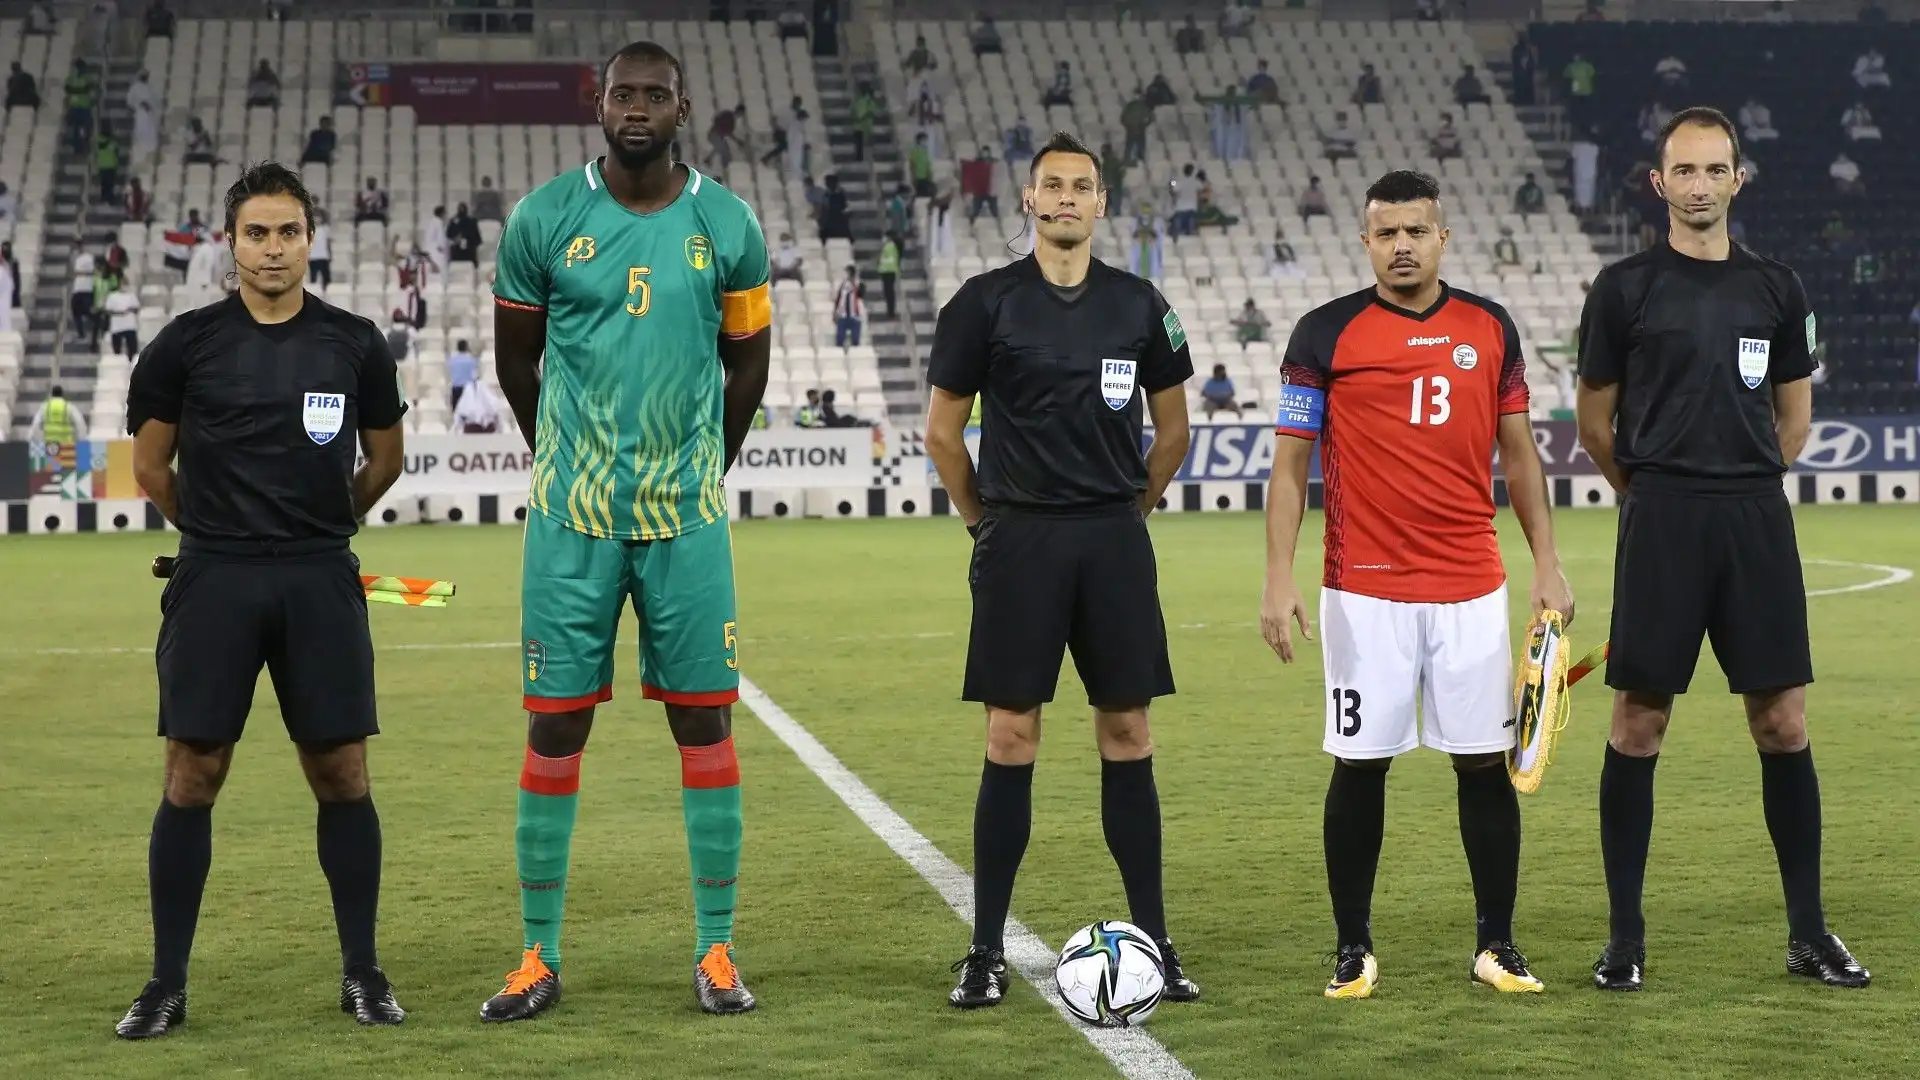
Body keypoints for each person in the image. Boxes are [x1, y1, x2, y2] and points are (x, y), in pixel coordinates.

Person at [481, 41, 774, 1021]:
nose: (637, 107)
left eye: (654, 93)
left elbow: (749, 367)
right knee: (556, 723)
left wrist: (701, 467)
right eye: (622, 93)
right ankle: (536, 955)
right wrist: (564, 459)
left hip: (684, 520)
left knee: (703, 718)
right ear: (596, 103)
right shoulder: (543, 220)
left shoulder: (727, 224)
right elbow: (517, 363)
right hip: (571, 519)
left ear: (683, 105)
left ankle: (718, 951)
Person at [1574, 106, 1868, 992]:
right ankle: (1625, 938)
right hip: (1661, 515)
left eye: (1715, 170)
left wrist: (1738, 483)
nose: (1699, 185)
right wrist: (1655, 493)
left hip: (1754, 521)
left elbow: (1795, 418)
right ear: (1658, 183)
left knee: (1782, 723)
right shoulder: (1623, 288)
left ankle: (1809, 933)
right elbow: (1594, 425)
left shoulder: (1778, 288)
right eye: (1684, 171)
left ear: (1738, 179)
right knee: (1638, 723)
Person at [1259, 169, 1572, 1000]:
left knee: (1483, 766)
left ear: (1443, 236)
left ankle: (1497, 944)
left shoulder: (1489, 327)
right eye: (1386, 232)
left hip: (1471, 586)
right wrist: (1278, 575)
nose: (1402, 245)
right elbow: (1290, 469)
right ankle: (1353, 947)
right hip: (1361, 593)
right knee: (1359, 766)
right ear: (1364, 241)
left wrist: (1546, 561)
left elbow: (1519, 456)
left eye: (1416, 231)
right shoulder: (1324, 334)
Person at [113, 162, 409, 1039]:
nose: (272, 249)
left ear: (310, 240)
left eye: (287, 233)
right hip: (215, 580)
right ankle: (166, 982)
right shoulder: (185, 343)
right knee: (192, 774)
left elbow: (383, 461)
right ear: (230, 242)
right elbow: (150, 469)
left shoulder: (354, 343)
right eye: (256, 233)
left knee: (342, 773)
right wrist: (218, 533)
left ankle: (363, 972)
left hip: (321, 574)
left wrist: (324, 524)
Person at [924, 131, 1201, 1011]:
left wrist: (1130, 514)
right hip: (1021, 542)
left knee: (1128, 734)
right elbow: (942, 433)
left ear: (1102, 203)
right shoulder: (983, 304)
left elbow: (1173, 431)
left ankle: (1156, 943)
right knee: (1012, 735)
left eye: (1084, 186)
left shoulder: (1140, 304)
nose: (1069, 198)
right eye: (1054, 186)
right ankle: (985, 949)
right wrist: (985, 524)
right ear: (1030, 202)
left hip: (1112, 543)